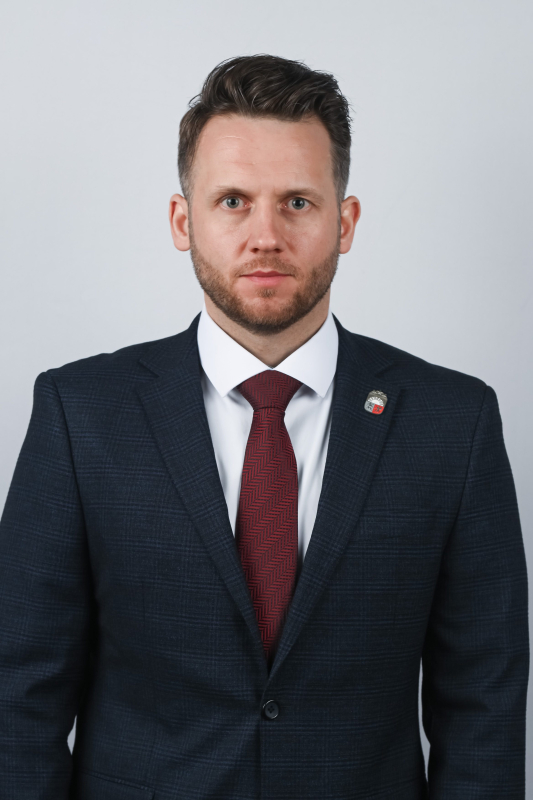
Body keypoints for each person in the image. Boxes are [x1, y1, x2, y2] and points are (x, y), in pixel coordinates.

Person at [0, 54, 528, 800]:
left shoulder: (454, 423)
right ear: (183, 221)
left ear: (345, 222)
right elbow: (18, 698)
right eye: (232, 201)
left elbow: (484, 705)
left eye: (298, 203)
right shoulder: (81, 414)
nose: (265, 235)